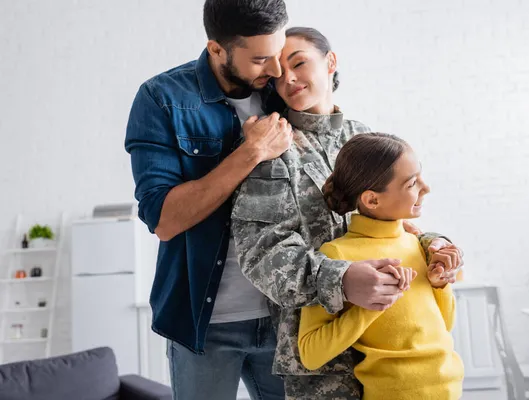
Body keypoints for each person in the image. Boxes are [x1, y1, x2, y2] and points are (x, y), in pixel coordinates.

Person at [231, 27, 463, 399]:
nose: (288, 78)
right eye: (277, 74)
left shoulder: (363, 137)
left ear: (331, 61)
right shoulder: (274, 148)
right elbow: (262, 256)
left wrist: (433, 245)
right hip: (326, 363)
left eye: (299, 63)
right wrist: (343, 281)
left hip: (397, 349)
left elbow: (396, 223)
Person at [125, 1, 293, 398]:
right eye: (260, 59)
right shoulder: (161, 98)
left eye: (279, 52)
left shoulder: (285, 90)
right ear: (217, 49)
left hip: (289, 317)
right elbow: (164, 218)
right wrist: (249, 153)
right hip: (206, 324)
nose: (277, 70)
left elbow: (338, 168)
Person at [298, 133, 464, 400]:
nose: (426, 187)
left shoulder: (415, 244)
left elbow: (444, 326)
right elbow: (311, 353)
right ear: (372, 200)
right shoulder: (336, 254)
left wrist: (440, 284)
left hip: (450, 390)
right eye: (412, 183)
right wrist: (370, 305)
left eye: (420, 175)